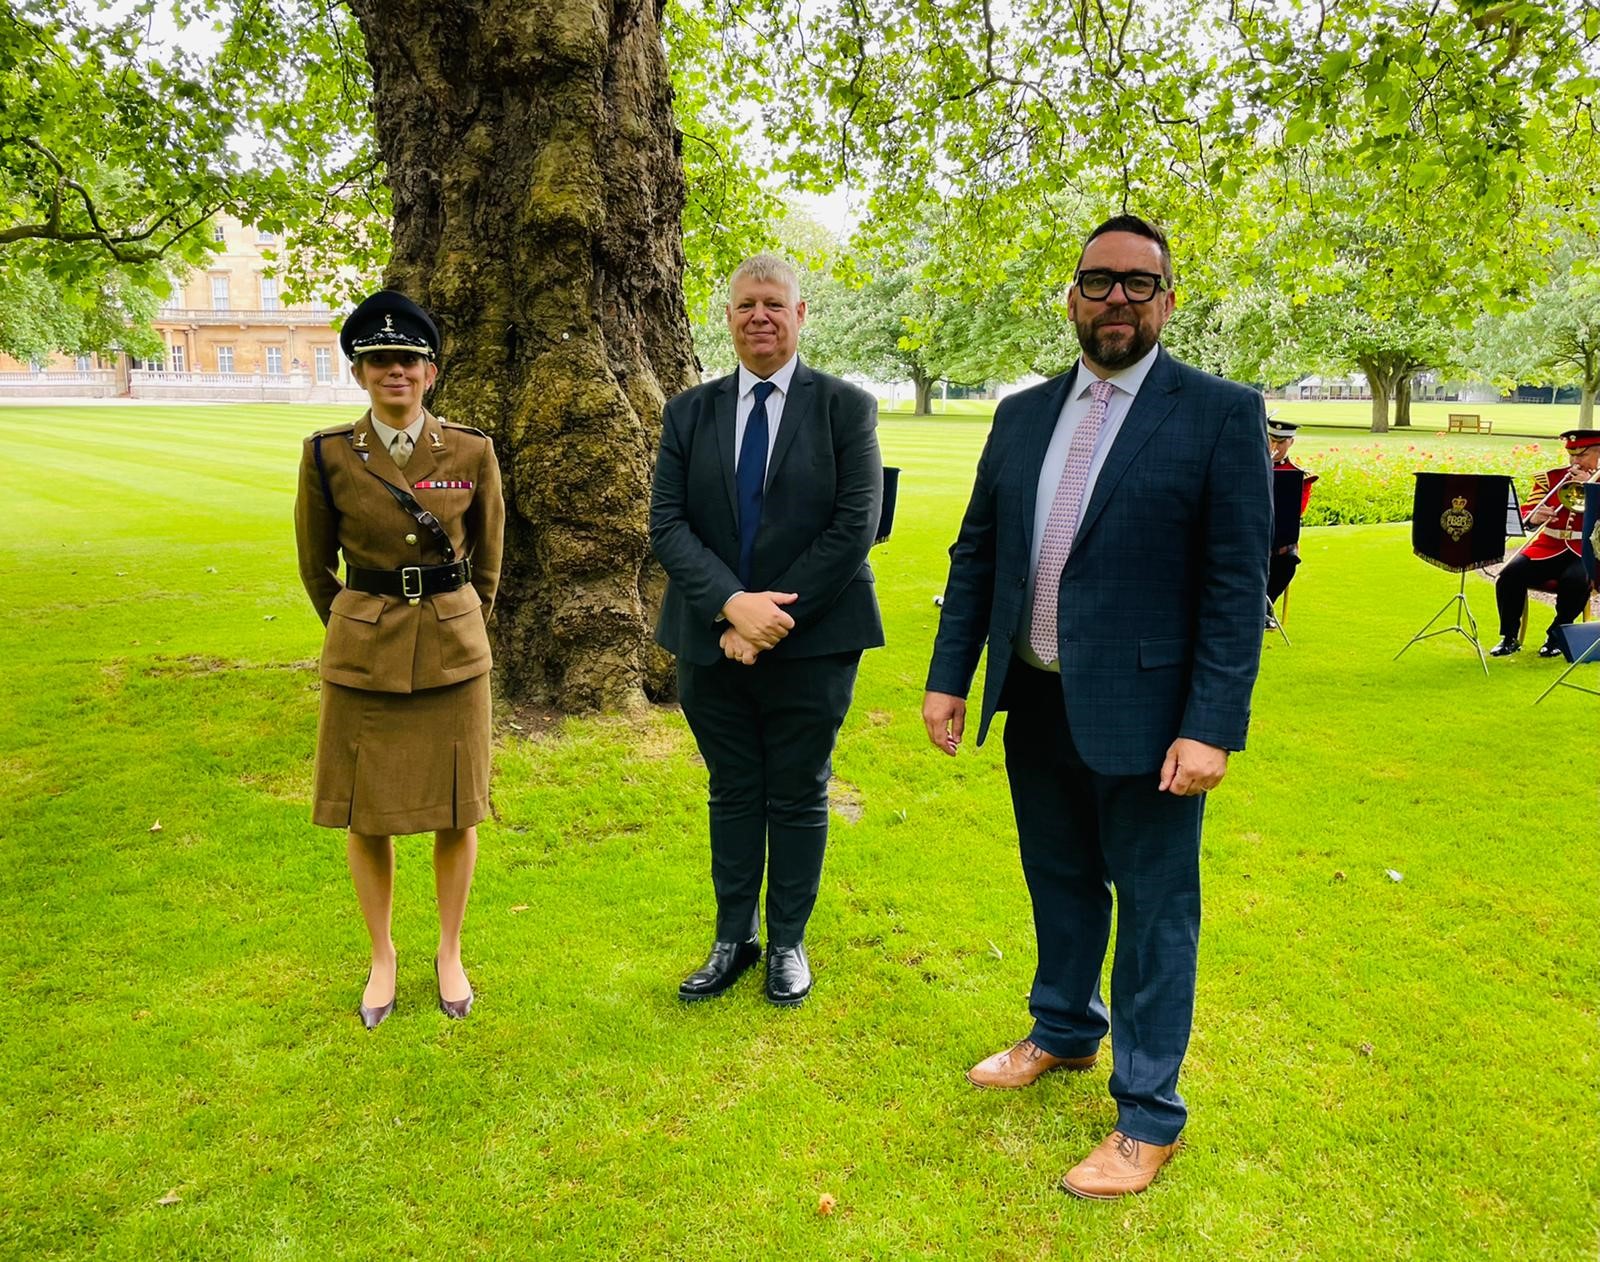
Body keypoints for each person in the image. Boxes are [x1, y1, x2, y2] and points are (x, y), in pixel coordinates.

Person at [922, 215, 1270, 1199]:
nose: (1116, 298)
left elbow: (1234, 584)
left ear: (1166, 300)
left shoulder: (1218, 413)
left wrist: (1210, 723)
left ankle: (1147, 1115)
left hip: (1156, 720)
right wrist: (952, 674)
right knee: (1059, 880)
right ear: (1071, 296)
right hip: (1036, 701)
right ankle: (1065, 1028)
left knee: (1157, 913)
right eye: (1097, 281)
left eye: (1137, 283)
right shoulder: (1021, 415)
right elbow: (977, 553)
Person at [650, 253, 883, 1007]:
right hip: (708, 639)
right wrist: (729, 605)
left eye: (774, 304)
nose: (760, 316)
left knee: (799, 791)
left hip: (812, 643)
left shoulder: (846, 408)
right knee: (732, 789)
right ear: (728, 318)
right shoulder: (689, 412)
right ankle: (732, 938)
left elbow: (856, 527)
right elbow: (668, 522)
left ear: (800, 314)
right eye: (746, 304)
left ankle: (786, 941)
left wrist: (765, 622)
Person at [294, 289, 505, 1028]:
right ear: (359, 374)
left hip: (453, 653)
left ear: (431, 372)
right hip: (365, 655)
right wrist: (361, 622)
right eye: (379, 360)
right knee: (367, 815)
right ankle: (382, 956)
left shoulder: (472, 451)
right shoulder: (326, 454)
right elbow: (317, 568)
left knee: (458, 808)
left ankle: (449, 951)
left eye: (408, 360)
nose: (395, 372)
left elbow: (489, 565)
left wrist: (453, 616)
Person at [1489, 428, 1599, 657]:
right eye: (1572, 455)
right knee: (1508, 576)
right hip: (1547, 547)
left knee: (1576, 581)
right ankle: (1509, 637)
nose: (1575, 461)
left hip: (1586, 549)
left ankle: (1557, 637)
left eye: (1582, 455)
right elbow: (1528, 509)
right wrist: (1533, 516)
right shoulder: (1551, 477)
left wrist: (1592, 486)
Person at [1267, 416, 1318, 606]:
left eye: (1281, 442)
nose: (1275, 446)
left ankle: (1266, 606)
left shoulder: (1298, 475)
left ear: (1291, 442)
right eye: (1272, 439)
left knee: (1288, 562)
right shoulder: (1251, 467)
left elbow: (1297, 512)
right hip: (1251, 535)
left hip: (1280, 540)